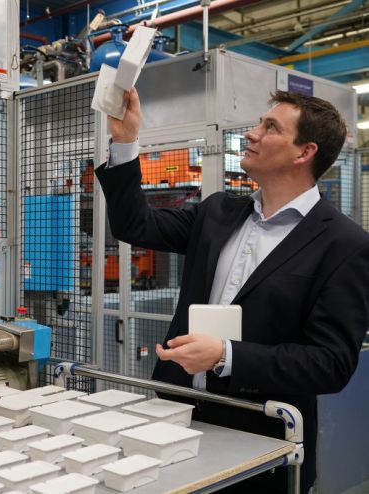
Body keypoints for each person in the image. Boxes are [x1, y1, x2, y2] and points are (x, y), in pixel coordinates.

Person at [95, 87, 369, 493]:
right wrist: (125, 140)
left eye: (270, 127)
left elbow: (330, 364)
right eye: (259, 123)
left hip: (260, 440)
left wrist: (226, 356)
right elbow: (135, 225)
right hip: (174, 419)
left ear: (304, 152)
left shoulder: (344, 245)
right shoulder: (218, 212)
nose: (252, 134)